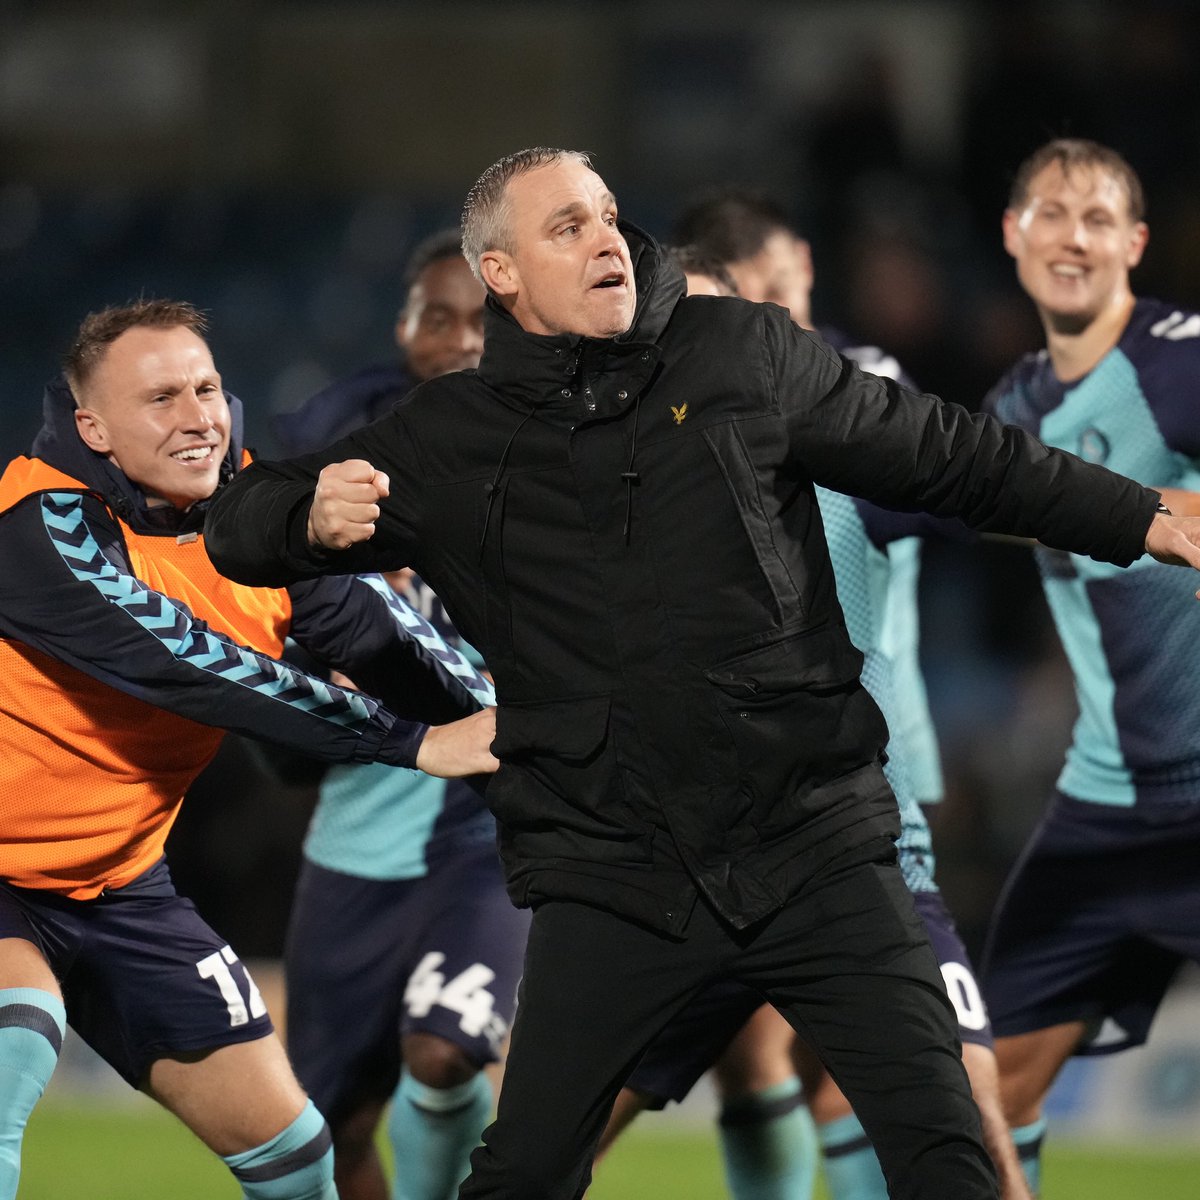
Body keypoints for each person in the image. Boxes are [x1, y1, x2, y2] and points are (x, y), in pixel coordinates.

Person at [205, 147, 1200, 1200]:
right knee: (524, 1174)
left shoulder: (745, 352)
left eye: (607, 216)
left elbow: (958, 457)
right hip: (613, 880)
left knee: (950, 1159)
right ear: (499, 274)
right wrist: (299, 517)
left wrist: (1141, 514)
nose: (603, 240)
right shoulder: (450, 440)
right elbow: (236, 521)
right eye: (566, 228)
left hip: (813, 846)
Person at [0, 298, 497, 1200]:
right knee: (13, 1043)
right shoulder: (36, 522)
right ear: (93, 427)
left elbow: (389, 640)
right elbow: (194, 667)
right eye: (161, 399)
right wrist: (412, 743)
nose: (198, 418)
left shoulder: (253, 520)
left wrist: (525, 731)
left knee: (297, 1155)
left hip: (122, 885)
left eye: (208, 389)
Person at [598, 192, 1029, 1200]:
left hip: (871, 819)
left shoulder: (848, 402)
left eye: (797, 295)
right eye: (778, 297)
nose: (799, 318)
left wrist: (1134, 511)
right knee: (580, 1116)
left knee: (952, 1106)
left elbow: (994, 488)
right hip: (699, 849)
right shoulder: (619, 450)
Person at [276, 238, 531, 1200]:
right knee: (330, 1130)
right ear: (402, 329)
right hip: (352, 841)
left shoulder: (558, 449)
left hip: (485, 835)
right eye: (438, 317)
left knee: (442, 1054)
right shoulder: (331, 454)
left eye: (484, 320)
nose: (461, 340)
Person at [978, 137, 1200, 1195]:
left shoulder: (1176, 361)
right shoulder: (1012, 410)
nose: (1075, 237)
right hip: (1103, 810)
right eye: (1053, 214)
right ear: (1014, 235)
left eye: (1100, 219)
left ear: (1136, 245)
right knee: (990, 1096)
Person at [273, 229, 486, 456]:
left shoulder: (526, 433)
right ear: (404, 329)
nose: (463, 343)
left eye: (487, 324)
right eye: (438, 323)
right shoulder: (341, 436)